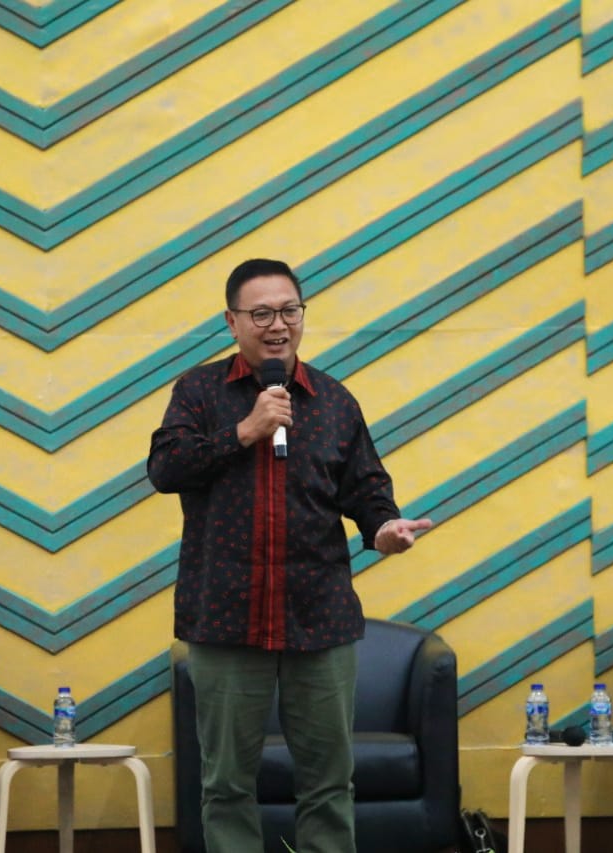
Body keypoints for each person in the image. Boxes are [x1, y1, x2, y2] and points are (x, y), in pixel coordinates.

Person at [147, 258, 433, 853]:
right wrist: (244, 431)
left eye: (289, 311)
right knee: (226, 783)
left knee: (329, 783)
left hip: (318, 616)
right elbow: (166, 469)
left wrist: (384, 530)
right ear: (232, 322)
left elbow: (367, 491)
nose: (278, 325)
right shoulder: (198, 392)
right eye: (261, 314)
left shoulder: (333, 399)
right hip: (226, 617)